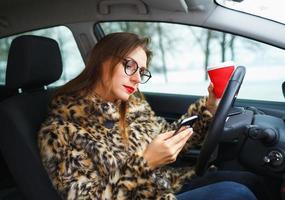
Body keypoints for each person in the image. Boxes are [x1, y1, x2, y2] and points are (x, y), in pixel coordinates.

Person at [38, 32, 257, 200]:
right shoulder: (59, 132)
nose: (137, 79)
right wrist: (145, 164)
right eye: (130, 66)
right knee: (235, 193)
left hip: (166, 184)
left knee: (252, 180)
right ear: (101, 62)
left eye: (141, 72)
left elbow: (166, 137)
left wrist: (208, 110)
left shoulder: (130, 104)